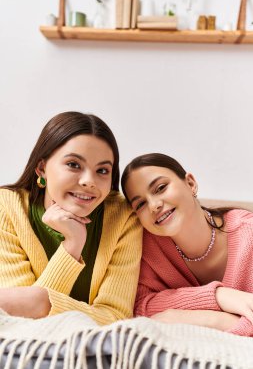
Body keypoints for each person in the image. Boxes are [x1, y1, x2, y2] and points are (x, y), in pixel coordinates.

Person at [0, 111, 142, 325]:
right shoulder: (7, 208)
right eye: (74, 164)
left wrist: (42, 301)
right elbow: (17, 320)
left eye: (102, 170)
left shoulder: (124, 217)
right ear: (42, 167)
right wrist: (72, 246)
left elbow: (116, 317)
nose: (89, 181)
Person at [121, 153, 253, 336]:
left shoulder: (248, 233)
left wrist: (213, 321)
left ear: (190, 183)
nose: (153, 206)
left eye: (160, 188)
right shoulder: (147, 249)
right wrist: (218, 300)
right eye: (141, 204)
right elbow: (140, 307)